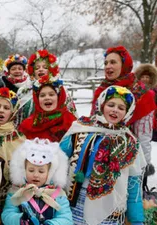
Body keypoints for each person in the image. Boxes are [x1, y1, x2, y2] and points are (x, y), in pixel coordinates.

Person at [61, 85, 146, 225]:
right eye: (111, 104)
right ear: (101, 105)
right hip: (75, 203)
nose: (115, 110)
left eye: (121, 108)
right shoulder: (81, 129)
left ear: (127, 112)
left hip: (111, 209)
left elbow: (133, 186)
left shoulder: (130, 143)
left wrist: (137, 221)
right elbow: (57, 161)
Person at [91, 46, 156, 191]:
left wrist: (143, 168)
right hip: (100, 161)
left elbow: (144, 138)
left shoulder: (141, 94)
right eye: (106, 63)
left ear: (125, 64)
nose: (108, 66)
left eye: (113, 62)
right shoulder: (102, 91)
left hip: (128, 162)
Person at [2, 138, 73, 225]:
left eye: (41, 171)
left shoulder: (58, 194)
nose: (36, 175)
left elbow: (66, 218)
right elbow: (7, 214)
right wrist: (20, 220)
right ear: (24, 170)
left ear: (50, 173)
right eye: (31, 170)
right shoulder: (16, 191)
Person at [0, 87, 26, 223]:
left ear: (13, 112)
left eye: (6, 107)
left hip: (10, 198)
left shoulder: (20, 139)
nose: (1, 110)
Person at [16, 49, 77, 122]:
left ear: (51, 70)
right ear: (33, 72)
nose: (40, 70)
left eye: (45, 67)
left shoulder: (61, 90)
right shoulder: (23, 90)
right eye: (37, 68)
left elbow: (71, 115)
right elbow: (17, 117)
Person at [18, 76, 76, 142]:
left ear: (59, 97)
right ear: (37, 99)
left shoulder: (70, 122)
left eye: (51, 94)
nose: (47, 98)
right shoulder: (27, 125)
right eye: (42, 95)